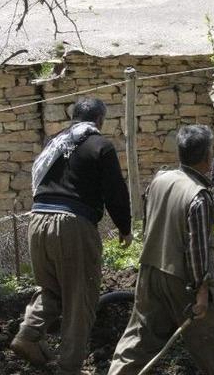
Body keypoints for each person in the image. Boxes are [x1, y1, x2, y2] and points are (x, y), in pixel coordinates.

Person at [11, 97, 133, 375]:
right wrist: (125, 229)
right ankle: (69, 368)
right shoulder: (100, 145)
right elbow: (115, 191)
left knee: (50, 290)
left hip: (38, 220)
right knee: (81, 299)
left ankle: (28, 335)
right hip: (72, 225)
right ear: (100, 120)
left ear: (74, 119)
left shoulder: (53, 143)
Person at [108, 125, 214, 375]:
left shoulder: (160, 179)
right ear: (207, 156)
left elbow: (151, 221)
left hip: (150, 271)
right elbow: (197, 248)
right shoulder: (199, 196)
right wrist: (202, 291)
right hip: (182, 279)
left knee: (141, 334)